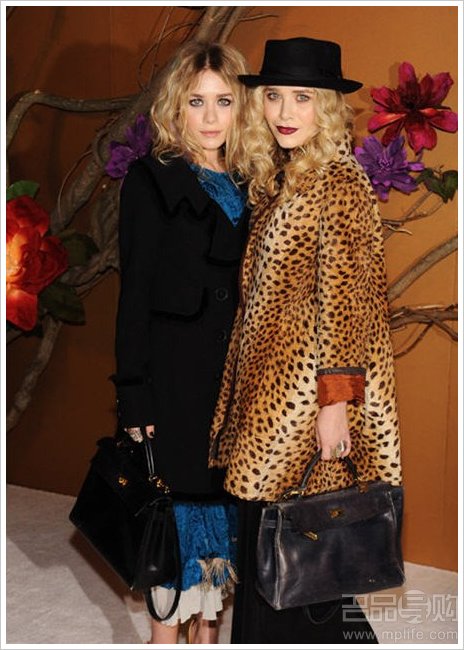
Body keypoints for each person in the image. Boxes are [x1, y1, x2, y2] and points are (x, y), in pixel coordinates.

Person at [209, 37, 402, 644]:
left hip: (304, 397)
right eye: (273, 96)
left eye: (303, 97)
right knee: (284, 552)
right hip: (271, 391)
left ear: (329, 107)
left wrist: (335, 403)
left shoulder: (339, 183)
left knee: (297, 551)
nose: (285, 111)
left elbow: (349, 304)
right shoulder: (284, 177)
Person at [112, 40, 256, 644]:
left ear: (241, 106)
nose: (210, 117)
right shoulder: (151, 178)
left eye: (224, 101)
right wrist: (134, 394)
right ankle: (164, 636)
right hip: (174, 378)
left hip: (236, 380)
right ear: (176, 106)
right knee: (172, 515)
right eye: (196, 102)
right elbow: (134, 295)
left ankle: (207, 632)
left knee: (223, 510)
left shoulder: (254, 179)